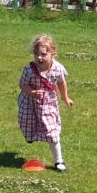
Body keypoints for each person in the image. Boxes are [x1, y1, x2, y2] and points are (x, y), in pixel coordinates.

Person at [17, 34, 73, 172]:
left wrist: (65, 98)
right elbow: (22, 84)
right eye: (36, 54)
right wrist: (32, 92)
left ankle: (58, 161)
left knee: (52, 131)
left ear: (53, 53)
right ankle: (30, 136)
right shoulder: (29, 69)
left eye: (43, 54)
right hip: (29, 103)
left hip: (48, 103)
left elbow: (61, 82)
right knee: (27, 123)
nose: (39, 58)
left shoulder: (58, 68)